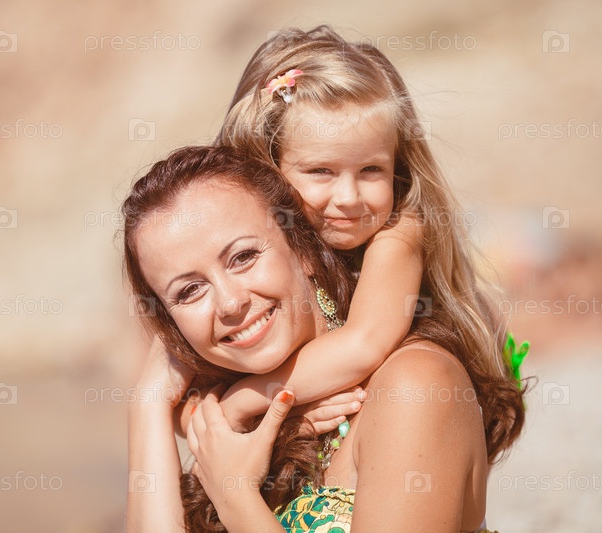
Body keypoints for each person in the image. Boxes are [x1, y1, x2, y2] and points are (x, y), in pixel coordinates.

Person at [123, 144, 525, 532]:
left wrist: (236, 498)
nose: (229, 303)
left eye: (243, 257)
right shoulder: (238, 430)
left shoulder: (413, 385)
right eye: (189, 291)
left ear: (303, 250)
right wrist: (148, 403)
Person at [205, 25, 530, 436]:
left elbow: (363, 345)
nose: (349, 197)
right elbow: (186, 398)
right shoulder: (244, 252)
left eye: (371, 170)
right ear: (267, 166)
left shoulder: (399, 232)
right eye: (321, 171)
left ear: (397, 167)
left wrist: (244, 403)